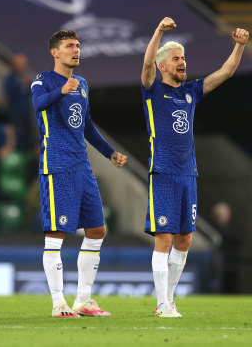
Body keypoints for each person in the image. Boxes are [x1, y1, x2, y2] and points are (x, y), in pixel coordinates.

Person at [141, 17, 248, 317]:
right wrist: (159, 31)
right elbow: (147, 62)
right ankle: (162, 304)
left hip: (188, 173)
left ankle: (168, 300)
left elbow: (225, 72)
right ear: (164, 66)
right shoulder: (151, 90)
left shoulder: (190, 92)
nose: (182, 63)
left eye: (183, 58)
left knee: (185, 239)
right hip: (162, 172)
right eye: (176, 59)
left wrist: (240, 46)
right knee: (164, 237)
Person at [30, 30, 127, 318]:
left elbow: (87, 126)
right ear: (54, 52)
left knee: (97, 229)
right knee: (56, 233)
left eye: (78, 46)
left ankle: (83, 299)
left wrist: (110, 152)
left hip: (81, 164)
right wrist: (60, 90)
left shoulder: (82, 83)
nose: (76, 50)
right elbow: (37, 105)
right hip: (56, 163)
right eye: (70, 46)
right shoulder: (43, 80)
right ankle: (58, 303)